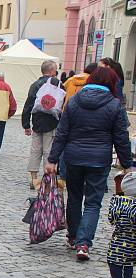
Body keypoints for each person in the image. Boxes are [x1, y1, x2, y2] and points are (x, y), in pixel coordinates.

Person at [45, 66, 134, 261]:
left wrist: (52, 159)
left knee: (74, 197)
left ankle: (74, 236)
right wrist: (128, 164)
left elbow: (62, 132)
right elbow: (121, 137)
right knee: (93, 203)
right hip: (99, 160)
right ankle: (83, 243)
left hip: (73, 158)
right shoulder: (114, 105)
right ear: (111, 84)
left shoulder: (75, 101)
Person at [100, 173, 136, 278]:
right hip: (125, 255)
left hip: (114, 251)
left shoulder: (117, 202)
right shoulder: (133, 209)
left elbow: (112, 220)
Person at [23, 60, 61, 190]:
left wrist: (26, 124)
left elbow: (28, 105)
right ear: (51, 71)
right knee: (48, 151)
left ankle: (33, 178)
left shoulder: (35, 84)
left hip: (37, 122)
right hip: (52, 122)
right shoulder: (58, 85)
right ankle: (47, 180)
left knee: (35, 151)